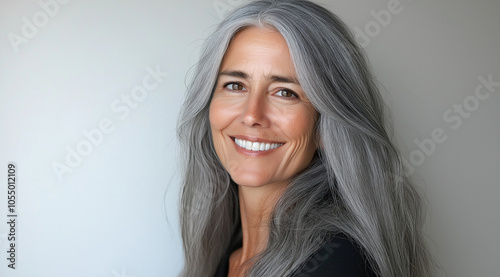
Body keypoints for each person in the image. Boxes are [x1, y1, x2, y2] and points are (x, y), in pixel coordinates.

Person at [176, 0, 433, 276]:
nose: (252, 115)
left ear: (325, 126)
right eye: (235, 85)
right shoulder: (225, 256)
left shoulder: (336, 264)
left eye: (285, 92)